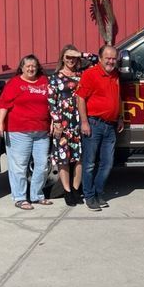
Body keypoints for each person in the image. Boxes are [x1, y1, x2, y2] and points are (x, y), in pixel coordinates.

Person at [0, 54, 53, 209]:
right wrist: (0, 123)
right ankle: (20, 197)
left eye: (33, 66)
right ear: (22, 67)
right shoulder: (15, 83)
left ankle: (37, 195)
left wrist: (53, 121)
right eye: (28, 66)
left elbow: (52, 103)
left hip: (42, 131)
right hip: (19, 131)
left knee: (42, 165)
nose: (31, 69)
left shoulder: (44, 81)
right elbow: (3, 104)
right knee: (19, 166)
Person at [76, 44, 123, 211]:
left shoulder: (115, 74)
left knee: (107, 163)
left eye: (113, 59)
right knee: (89, 164)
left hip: (110, 125)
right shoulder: (90, 74)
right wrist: (84, 122)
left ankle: (98, 192)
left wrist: (120, 117)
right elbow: (80, 98)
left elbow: (117, 97)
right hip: (93, 124)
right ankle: (89, 196)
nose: (111, 61)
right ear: (100, 59)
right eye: (107, 58)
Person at [48, 44, 85, 206]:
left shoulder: (82, 75)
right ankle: (67, 191)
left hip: (80, 119)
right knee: (63, 157)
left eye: (73, 57)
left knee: (79, 157)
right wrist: (56, 121)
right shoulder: (55, 77)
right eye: (67, 56)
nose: (71, 60)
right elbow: (51, 101)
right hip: (63, 121)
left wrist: (80, 54)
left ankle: (76, 189)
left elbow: (96, 59)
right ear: (62, 58)